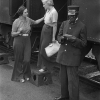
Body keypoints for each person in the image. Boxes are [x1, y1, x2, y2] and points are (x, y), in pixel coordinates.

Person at [54, 5, 87, 100]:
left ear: (77, 15)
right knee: (63, 79)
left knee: (73, 81)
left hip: (73, 58)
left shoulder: (82, 26)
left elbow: (84, 43)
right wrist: (61, 39)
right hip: (63, 56)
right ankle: (64, 96)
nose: (71, 18)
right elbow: (58, 36)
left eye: (73, 16)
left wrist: (74, 39)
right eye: (69, 16)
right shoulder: (64, 23)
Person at [11, 5, 44, 83]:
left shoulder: (28, 19)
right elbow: (12, 34)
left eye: (27, 12)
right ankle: (18, 76)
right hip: (18, 40)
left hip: (27, 40)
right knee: (19, 59)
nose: (27, 13)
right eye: (25, 12)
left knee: (27, 59)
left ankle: (26, 74)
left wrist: (43, 18)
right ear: (21, 13)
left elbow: (35, 22)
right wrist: (18, 32)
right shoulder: (16, 21)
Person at [37, 0, 58, 72]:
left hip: (49, 30)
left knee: (44, 49)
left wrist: (53, 37)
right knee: (42, 48)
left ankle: (47, 66)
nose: (43, 6)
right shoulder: (48, 10)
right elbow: (45, 19)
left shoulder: (54, 12)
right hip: (44, 29)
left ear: (48, 3)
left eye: (44, 4)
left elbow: (55, 25)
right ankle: (43, 66)